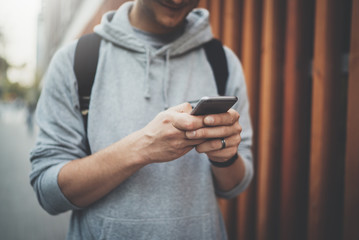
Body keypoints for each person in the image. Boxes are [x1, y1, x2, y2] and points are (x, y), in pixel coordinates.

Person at [30, 0, 253, 239]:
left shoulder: (222, 61)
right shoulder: (75, 61)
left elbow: (236, 186)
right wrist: (143, 147)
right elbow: (49, 194)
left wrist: (225, 157)